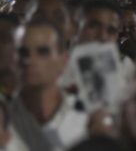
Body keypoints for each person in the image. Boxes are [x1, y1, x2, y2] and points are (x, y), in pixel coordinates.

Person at [8, 19, 88, 150]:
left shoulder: (86, 119)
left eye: (43, 52)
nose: (30, 60)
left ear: (63, 60)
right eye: (23, 52)